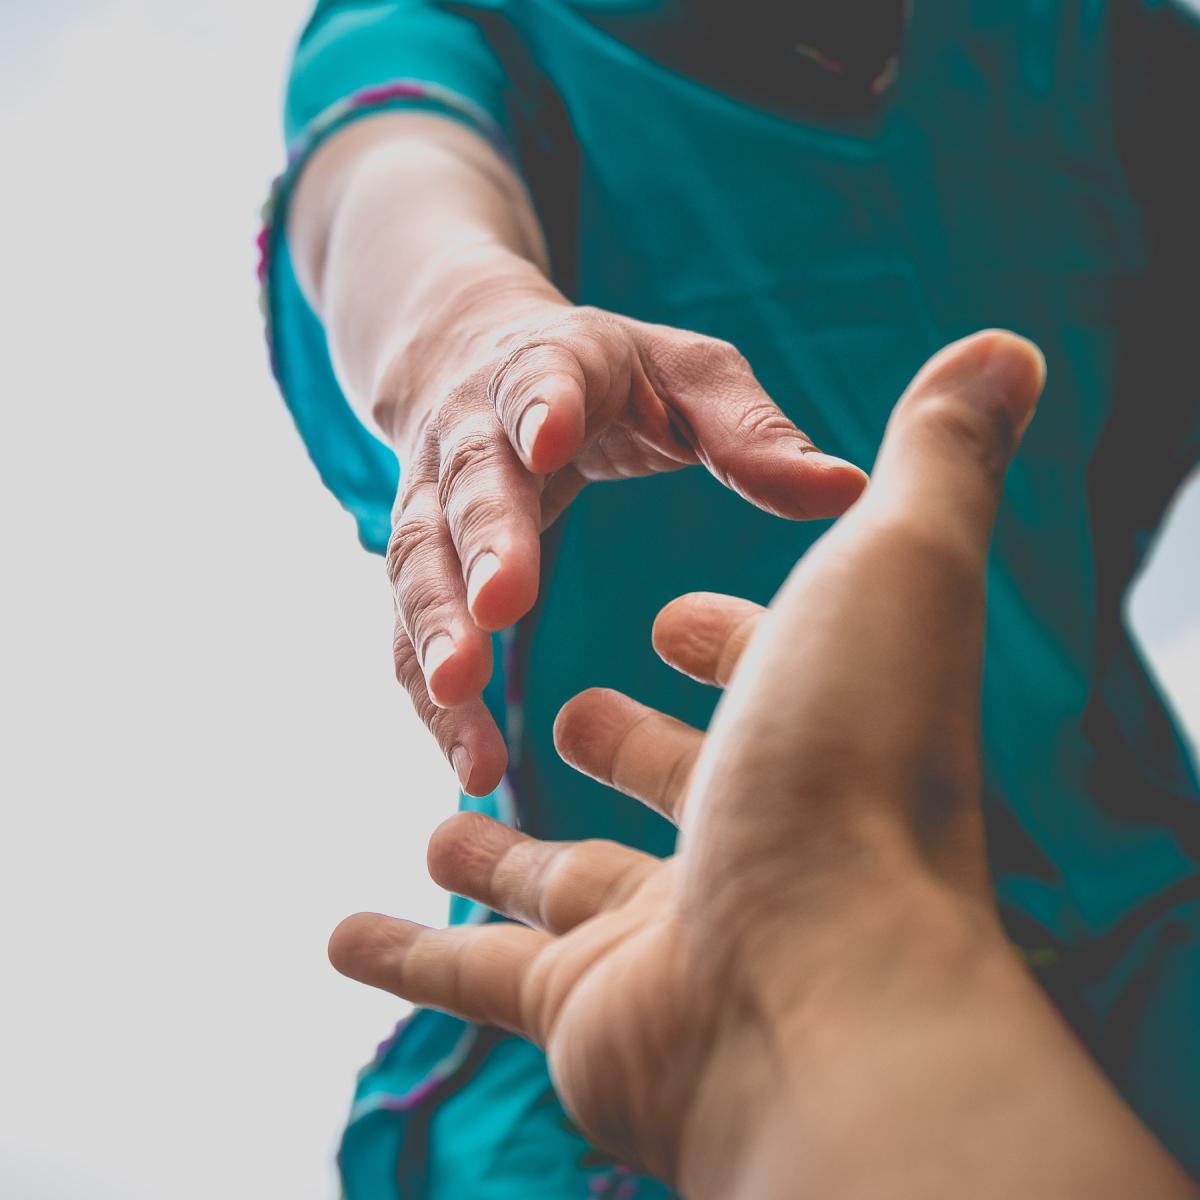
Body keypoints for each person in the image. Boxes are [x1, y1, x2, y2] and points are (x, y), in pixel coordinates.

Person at [258, 3, 1200, 1194]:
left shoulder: (1115, 54)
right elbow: (387, 184)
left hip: (1145, 903)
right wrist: (474, 335)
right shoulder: (457, 25)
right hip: (627, 979)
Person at [330, 330, 1198, 1198]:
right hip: (610, 977)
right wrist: (482, 320)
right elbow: (386, 213)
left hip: (1123, 911)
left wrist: (824, 982)